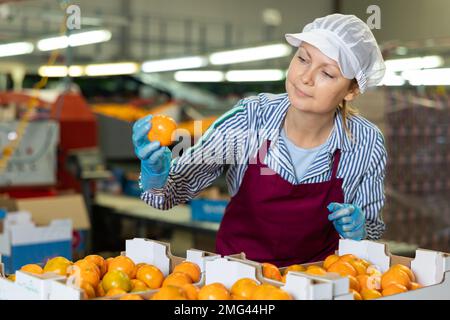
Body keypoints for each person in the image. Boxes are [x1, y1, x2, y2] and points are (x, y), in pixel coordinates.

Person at [132, 14, 387, 267]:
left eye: (327, 74)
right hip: (237, 282)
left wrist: (360, 231)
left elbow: (372, 231)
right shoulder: (251, 118)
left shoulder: (366, 143)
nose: (306, 78)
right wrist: (155, 175)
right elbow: (166, 195)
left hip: (317, 283)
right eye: (302, 59)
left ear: (352, 90)